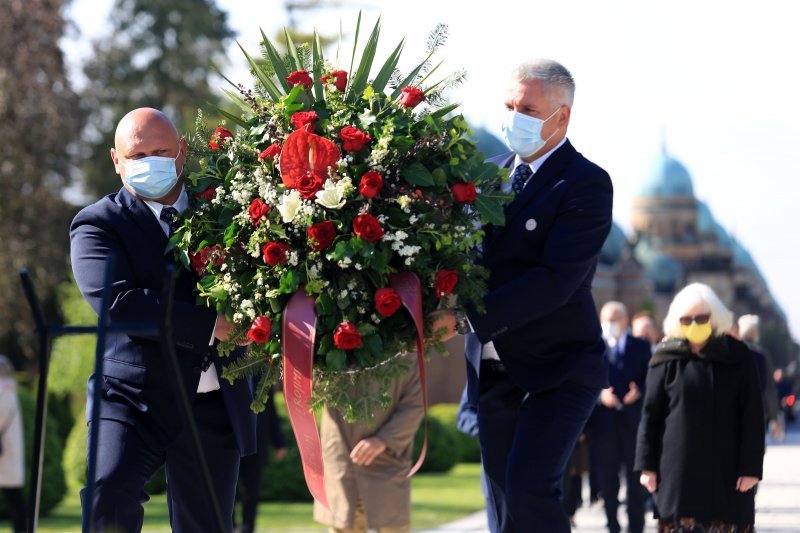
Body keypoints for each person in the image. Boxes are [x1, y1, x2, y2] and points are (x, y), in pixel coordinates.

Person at [433, 58, 613, 532]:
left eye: (527, 108)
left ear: (562, 116)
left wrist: (467, 319)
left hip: (559, 369)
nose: (514, 118)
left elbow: (556, 280)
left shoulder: (585, 184)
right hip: (493, 373)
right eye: (509, 106)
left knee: (530, 489)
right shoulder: (485, 178)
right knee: (502, 507)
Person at [70, 107, 257, 532]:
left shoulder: (230, 209)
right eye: (137, 156)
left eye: (161, 151)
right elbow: (119, 303)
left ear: (182, 151)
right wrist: (212, 324)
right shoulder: (98, 224)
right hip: (131, 400)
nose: (149, 163)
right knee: (108, 503)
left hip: (213, 402)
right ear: (116, 161)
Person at [635, 283, 764, 532]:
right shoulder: (665, 357)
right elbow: (650, 416)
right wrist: (647, 466)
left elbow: (752, 416)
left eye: (701, 318)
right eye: (687, 319)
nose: (694, 324)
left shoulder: (738, 355)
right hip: (677, 473)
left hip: (728, 471)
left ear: (714, 318)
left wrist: (751, 469)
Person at [313, 355, 424, 533]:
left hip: (386, 463)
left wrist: (384, 439)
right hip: (340, 460)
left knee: (391, 525)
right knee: (342, 523)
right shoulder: (327, 349)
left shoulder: (404, 354)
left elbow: (415, 406)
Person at [590, 302, 651, 533]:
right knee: (608, 480)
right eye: (606, 319)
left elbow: (651, 379)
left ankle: (636, 526)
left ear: (626, 320)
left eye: (614, 319)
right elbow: (586, 380)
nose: (609, 324)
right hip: (604, 425)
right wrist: (600, 396)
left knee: (635, 482)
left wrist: (640, 391)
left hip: (633, 424)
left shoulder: (641, 346)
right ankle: (612, 525)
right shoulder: (595, 347)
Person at [234, 388, 287, 533]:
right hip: (233, 441)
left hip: (257, 443)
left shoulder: (263, 377)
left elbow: (271, 413)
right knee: (230, 488)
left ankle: (247, 527)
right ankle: (229, 524)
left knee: (252, 490)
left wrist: (279, 443)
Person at [738, 314, 782, 440]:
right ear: (752, 332)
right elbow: (769, 389)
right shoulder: (761, 355)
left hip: (734, 411)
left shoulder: (732, 352)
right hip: (757, 413)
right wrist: (774, 417)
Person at [0, 356, 26, 533]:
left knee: (14, 498)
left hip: (6, 452)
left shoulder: (4, 391)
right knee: (14, 497)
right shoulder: (10, 389)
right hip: (8, 451)